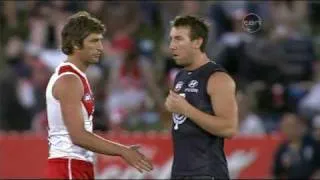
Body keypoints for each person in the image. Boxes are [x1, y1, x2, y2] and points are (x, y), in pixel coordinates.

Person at [44, 11, 153, 179]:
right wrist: (122, 151)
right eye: (94, 41)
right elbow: (78, 135)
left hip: (77, 164)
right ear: (75, 44)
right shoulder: (69, 80)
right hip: (69, 166)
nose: (100, 48)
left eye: (100, 41)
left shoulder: (79, 77)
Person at [165, 15, 238, 179]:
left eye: (178, 39)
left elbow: (229, 128)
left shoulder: (217, 78)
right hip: (180, 173)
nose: (172, 46)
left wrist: (186, 109)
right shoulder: (180, 76)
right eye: (171, 39)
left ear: (197, 42)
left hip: (207, 172)